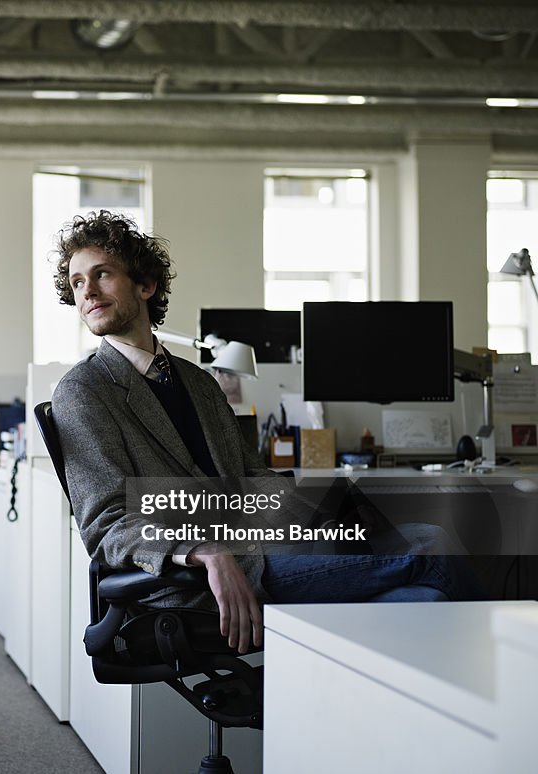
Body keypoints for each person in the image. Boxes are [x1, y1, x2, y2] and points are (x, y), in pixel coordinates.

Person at [50, 210, 486, 655]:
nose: (87, 291)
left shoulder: (198, 382)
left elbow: (251, 475)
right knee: (433, 543)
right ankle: (504, 691)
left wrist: (316, 521)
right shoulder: (84, 391)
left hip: (266, 549)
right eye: (78, 281)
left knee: (426, 600)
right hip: (196, 580)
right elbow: (106, 526)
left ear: (146, 285)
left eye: (102, 275)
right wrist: (203, 551)